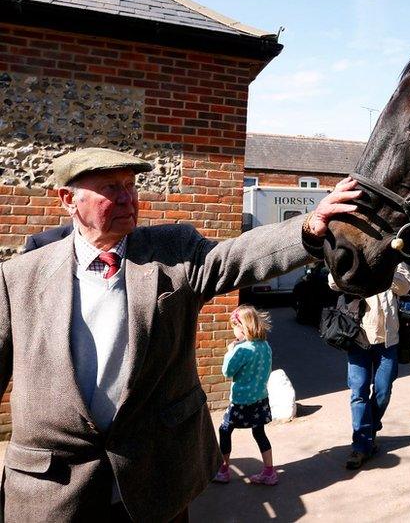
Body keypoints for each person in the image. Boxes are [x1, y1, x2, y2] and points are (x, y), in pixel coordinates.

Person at [0, 148, 360, 521]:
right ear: (68, 200)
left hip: (156, 478)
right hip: (53, 489)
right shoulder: (19, 277)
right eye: (111, 188)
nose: (127, 198)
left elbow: (237, 256)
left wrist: (309, 226)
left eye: (130, 185)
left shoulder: (173, 251)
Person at [337, 263, 410, 470]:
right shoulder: (354, 255)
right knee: (358, 391)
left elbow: (405, 287)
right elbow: (333, 282)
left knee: (383, 392)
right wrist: (359, 267)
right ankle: (360, 446)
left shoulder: (394, 260)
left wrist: (383, 269)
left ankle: (368, 432)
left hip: (388, 339)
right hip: (357, 337)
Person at [213, 305, 277, 485]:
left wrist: (230, 351)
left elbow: (227, 371)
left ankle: (224, 470)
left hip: (241, 402)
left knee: (225, 430)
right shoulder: (265, 346)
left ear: (242, 327)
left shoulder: (242, 350)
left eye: (234, 327)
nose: (233, 331)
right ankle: (269, 472)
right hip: (260, 399)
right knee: (259, 432)